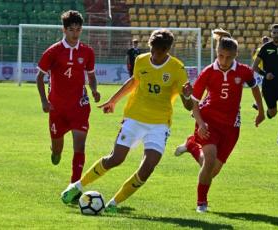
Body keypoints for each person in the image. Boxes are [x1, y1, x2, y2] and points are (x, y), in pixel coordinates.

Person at [60, 29, 193, 212]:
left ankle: (113, 204)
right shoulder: (141, 60)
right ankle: (77, 186)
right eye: (152, 51)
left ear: (167, 50)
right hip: (134, 118)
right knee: (116, 158)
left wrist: (187, 96)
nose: (155, 55)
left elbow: (187, 106)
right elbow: (133, 82)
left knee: (148, 168)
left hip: (159, 124)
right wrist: (113, 100)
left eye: (159, 52)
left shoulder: (177, 69)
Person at [174, 29, 265, 213]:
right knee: (208, 162)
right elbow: (195, 103)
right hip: (208, 122)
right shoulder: (208, 73)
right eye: (221, 56)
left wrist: (261, 111)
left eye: (228, 57)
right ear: (217, 53)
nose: (224, 61)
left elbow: (254, 87)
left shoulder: (244, 71)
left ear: (235, 55)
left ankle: (191, 145)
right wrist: (200, 124)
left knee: (213, 170)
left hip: (232, 126)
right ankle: (201, 203)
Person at [36, 10, 101, 192]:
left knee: (79, 146)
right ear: (64, 30)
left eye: (78, 29)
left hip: (79, 106)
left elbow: (91, 75)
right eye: (71, 29)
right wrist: (44, 101)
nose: (75, 33)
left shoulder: (87, 52)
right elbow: (39, 78)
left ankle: (74, 186)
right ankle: (55, 151)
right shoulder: (53, 51)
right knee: (58, 149)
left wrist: (94, 89)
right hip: (56, 108)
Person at [252, 24, 278, 144]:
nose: (276, 35)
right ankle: (269, 113)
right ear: (271, 34)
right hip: (268, 85)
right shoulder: (265, 48)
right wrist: (265, 74)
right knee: (273, 113)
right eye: (274, 33)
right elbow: (254, 67)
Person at [252, 36, 270, 110]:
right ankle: (257, 103)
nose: (265, 42)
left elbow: (254, 58)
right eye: (265, 41)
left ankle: (256, 103)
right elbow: (256, 59)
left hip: (264, 71)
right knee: (265, 89)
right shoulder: (262, 49)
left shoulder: (260, 49)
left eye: (266, 41)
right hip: (265, 71)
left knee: (265, 89)